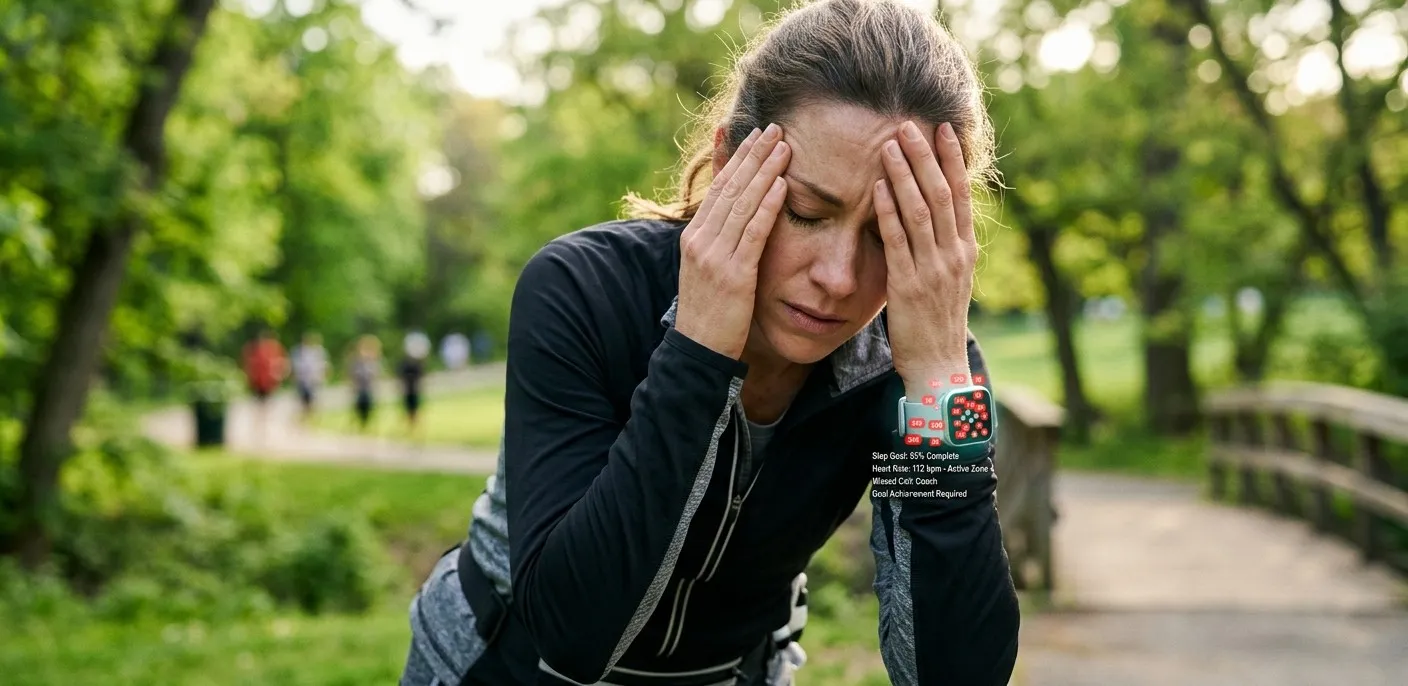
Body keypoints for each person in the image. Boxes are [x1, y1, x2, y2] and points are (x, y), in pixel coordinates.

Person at [399, 2, 1018, 685]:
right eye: (805, 212)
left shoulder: (929, 374)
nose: (839, 279)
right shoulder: (582, 288)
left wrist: (937, 382)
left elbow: (956, 674)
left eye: (886, 234)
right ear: (728, 163)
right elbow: (571, 634)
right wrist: (697, 353)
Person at [241, 329, 287, 445]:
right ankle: (259, 433)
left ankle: (263, 433)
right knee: (259, 409)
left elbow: (280, 365)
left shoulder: (273, 349)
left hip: (268, 384)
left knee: (265, 409)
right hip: (258, 383)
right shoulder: (254, 350)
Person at [291, 332, 329, 422]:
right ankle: (304, 417)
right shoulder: (299, 352)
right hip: (303, 380)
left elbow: (324, 366)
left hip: (314, 380)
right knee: (303, 400)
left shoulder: (319, 352)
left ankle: (310, 417)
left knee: (313, 399)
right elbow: (296, 366)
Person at [349, 334, 382, 433]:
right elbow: (353, 374)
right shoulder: (357, 362)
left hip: (369, 388)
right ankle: (360, 425)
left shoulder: (373, 362)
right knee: (359, 407)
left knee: (369, 407)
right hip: (360, 388)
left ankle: (366, 425)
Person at [401, 331, 431, 436]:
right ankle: (411, 427)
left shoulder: (417, 364)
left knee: (416, 410)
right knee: (409, 410)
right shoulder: (405, 364)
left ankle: (415, 427)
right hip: (408, 390)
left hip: (415, 390)